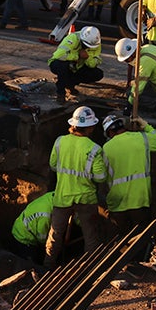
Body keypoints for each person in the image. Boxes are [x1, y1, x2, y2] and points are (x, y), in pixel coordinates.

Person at [46, 106, 106, 268]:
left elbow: (53, 165)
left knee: (56, 234)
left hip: (63, 197)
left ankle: (48, 265)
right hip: (86, 198)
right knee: (91, 236)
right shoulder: (94, 149)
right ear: (91, 127)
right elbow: (101, 177)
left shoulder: (60, 142)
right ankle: (89, 268)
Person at [101, 113, 156, 235]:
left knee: (121, 239)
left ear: (109, 132)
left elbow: (101, 176)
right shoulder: (142, 138)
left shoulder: (106, 148)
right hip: (140, 199)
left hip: (117, 202)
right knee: (141, 237)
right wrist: (146, 125)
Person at [48, 26, 103, 104]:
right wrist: (77, 56)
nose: (87, 47)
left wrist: (86, 58)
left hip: (78, 67)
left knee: (97, 74)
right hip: (62, 64)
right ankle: (61, 92)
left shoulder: (95, 43)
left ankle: (70, 84)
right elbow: (59, 55)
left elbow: (95, 62)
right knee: (62, 66)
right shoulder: (72, 38)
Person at [11, 191, 56, 262]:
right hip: (24, 238)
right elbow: (42, 237)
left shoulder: (51, 196)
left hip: (20, 227)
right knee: (32, 264)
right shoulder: (46, 214)